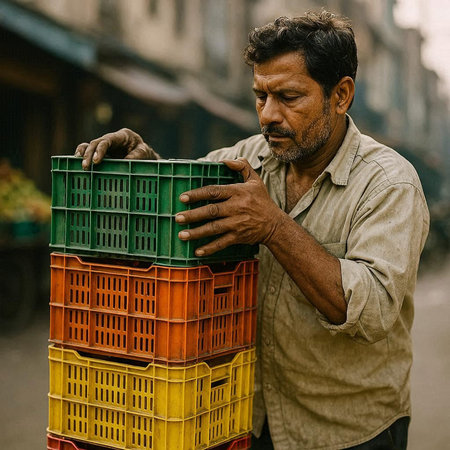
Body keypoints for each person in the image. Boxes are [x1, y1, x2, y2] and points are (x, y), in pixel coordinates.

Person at [75, 11, 429, 450]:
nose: (268, 115)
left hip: (350, 431)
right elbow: (184, 194)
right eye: (260, 96)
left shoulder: (389, 183)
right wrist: (147, 164)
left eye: (289, 97)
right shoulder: (248, 157)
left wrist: (274, 227)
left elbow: (372, 310)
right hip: (252, 422)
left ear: (341, 96)